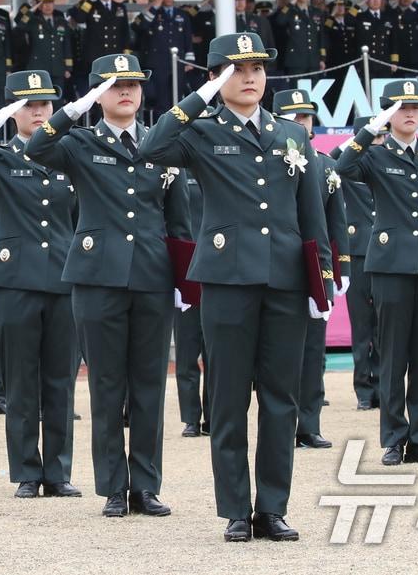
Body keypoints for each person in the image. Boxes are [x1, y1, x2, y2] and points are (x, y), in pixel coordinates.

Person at [141, 36, 330, 541]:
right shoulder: (202, 130)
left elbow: (311, 210)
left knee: (280, 399)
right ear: (215, 77)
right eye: (236, 69)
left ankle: (272, 508)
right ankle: (235, 511)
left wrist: (323, 277)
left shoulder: (291, 133)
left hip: (285, 280)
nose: (249, 78)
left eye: (256, 69)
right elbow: (151, 146)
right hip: (227, 280)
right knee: (227, 399)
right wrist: (201, 96)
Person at [27, 53, 192, 520]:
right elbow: (37, 148)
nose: (125, 91)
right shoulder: (81, 142)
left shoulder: (160, 142)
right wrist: (73, 109)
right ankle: (114, 487)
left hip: (153, 276)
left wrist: (182, 281)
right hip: (97, 277)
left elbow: (179, 219)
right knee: (105, 384)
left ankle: (146, 485)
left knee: (149, 385)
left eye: (132, 84)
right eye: (114, 85)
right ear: (97, 95)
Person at [0, 70, 83, 499]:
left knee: (60, 381)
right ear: (13, 110)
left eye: (44, 103)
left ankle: (58, 472)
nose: (39, 111)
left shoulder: (68, 153)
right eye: (28, 104)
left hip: (62, 276)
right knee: (22, 381)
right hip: (14, 280)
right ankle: (26, 470)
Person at [335, 80, 418, 466]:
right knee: (392, 354)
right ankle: (393, 437)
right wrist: (371, 128)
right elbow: (343, 166)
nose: (410, 114)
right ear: (388, 114)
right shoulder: (376, 154)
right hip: (390, 265)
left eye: (415, 108)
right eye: (401, 108)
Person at [269, 89, 348, 453]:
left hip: (314, 266)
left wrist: (337, 270)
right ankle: (281, 424)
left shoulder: (326, 165)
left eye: (306, 116)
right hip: (278, 263)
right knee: (278, 353)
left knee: (314, 350)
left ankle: (309, 424)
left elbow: (335, 223)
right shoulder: (269, 159)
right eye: (294, 116)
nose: (302, 122)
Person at [331, 118, 381, 410]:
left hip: (385, 254)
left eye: (380, 137)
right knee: (362, 326)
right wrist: (359, 140)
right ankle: (363, 388)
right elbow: (334, 160)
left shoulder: (386, 165)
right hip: (359, 252)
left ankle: (383, 385)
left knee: (384, 327)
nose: (376, 143)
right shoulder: (350, 168)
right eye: (372, 138)